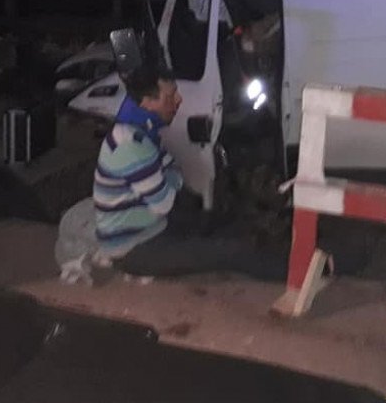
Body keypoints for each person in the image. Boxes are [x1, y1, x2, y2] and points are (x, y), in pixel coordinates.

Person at [94, 64, 287, 281]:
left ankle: (284, 252)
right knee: (231, 250)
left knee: (227, 220)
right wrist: (167, 181)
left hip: (155, 226)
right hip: (132, 247)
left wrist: (166, 181)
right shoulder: (132, 144)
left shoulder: (142, 132)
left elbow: (175, 173)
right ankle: (297, 275)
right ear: (147, 102)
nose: (179, 100)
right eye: (170, 96)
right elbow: (165, 202)